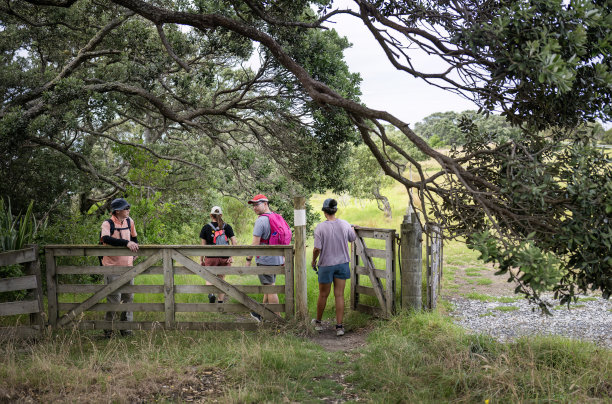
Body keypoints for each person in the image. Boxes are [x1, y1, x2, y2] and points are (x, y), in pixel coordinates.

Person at [311, 198, 356, 337]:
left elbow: (317, 248)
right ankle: (339, 327)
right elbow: (352, 237)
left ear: (324, 212)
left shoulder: (320, 228)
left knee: (323, 294)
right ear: (335, 210)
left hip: (326, 265)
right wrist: (352, 227)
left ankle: (318, 323)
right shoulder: (345, 224)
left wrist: (313, 261)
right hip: (342, 264)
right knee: (339, 295)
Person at [100, 197, 139, 337]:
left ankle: (126, 329)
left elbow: (134, 237)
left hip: (128, 266)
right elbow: (106, 239)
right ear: (117, 211)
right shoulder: (107, 223)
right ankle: (108, 331)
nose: (128, 210)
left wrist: (135, 249)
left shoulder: (130, 221)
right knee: (114, 299)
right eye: (125, 208)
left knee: (128, 298)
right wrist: (126, 243)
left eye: (128, 207)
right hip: (112, 267)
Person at [245, 194, 285, 322]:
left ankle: (278, 320)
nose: (254, 207)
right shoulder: (276, 217)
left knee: (271, 289)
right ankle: (262, 314)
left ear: (266, 204)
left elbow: (255, 243)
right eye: (253, 205)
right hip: (276, 258)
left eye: (257, 204)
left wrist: (248, 259)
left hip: (265, 259)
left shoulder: (261, 220)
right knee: (268, 287)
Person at [199, 206, 238, 304]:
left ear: (211, 215)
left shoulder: (206, 227)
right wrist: (231, 256)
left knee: (209, 277)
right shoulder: (227, 227)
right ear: (221, 215)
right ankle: (220, 302)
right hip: (224, 257)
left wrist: (201, 259)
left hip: (210, 258)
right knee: (221, 279)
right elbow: (234, 242)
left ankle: (211, 294)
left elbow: (202, 246)